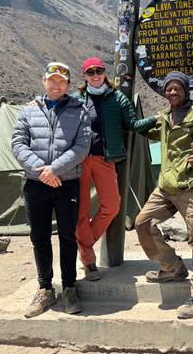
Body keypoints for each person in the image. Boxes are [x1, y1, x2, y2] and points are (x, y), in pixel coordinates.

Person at [135, 71, 193, 319]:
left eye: (177, 88)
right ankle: (172, 267)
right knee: (143, 223)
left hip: (192, 186)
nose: (173, 92)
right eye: (169, 89)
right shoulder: (163, 117)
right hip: (166, 186)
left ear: (185, 91)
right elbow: (144, 130)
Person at [11, 62, 91, 318]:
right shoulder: (28, 111)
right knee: (39, 237)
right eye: (52, 80)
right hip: (36, 184)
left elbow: (82, 146)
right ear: (43, 80)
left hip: (66, 182)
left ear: (68, 85)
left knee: (67, 236)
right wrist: (41, 170)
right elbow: (18, 143)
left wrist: (54, 169)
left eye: (62, 81)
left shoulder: (79, 111)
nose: (56, 85)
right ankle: (45, 288)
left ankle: (69, 287)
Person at [75, 57, 156, 281]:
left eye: (99, 70)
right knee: (81, 211)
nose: (95, 75)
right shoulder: (76, 99)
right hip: (79, 161)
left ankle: (84, 245)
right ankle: (89, 261)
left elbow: (133, 124)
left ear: (104, 73)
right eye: (90, 72)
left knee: (112, 206)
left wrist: (158, 118)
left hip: (105, 158)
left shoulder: (117, 97)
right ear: (85, 75)